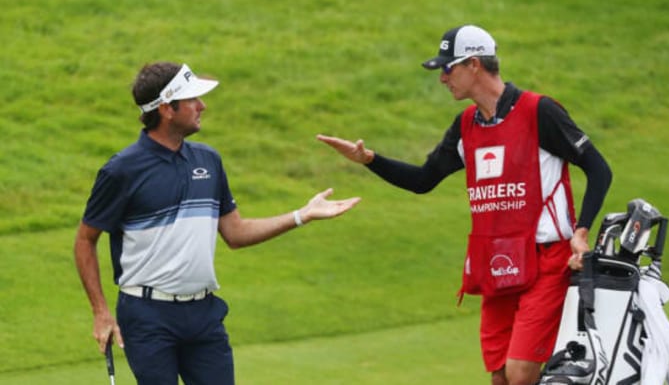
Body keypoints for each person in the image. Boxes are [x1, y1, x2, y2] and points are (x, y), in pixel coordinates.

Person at [317, 24, 612, 385]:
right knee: (501, 376)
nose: (442, 78)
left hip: (545, 259)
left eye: (448, 67)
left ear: (474, 65)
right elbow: (424, 180)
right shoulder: (467, 125)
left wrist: (581, 233)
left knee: (521, 375)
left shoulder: (539, 111)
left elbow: (599, 170)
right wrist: (370, 160)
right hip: (497, 262)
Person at [74, 61, 360, 385]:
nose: (202, 106)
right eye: (193, 99)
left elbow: (235, 233)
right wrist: (100, 311)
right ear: (167, 108)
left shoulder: (208, 160)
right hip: (147, 316)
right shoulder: (122, 170)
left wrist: (301, 215)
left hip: (203, 314)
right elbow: (86, 239)